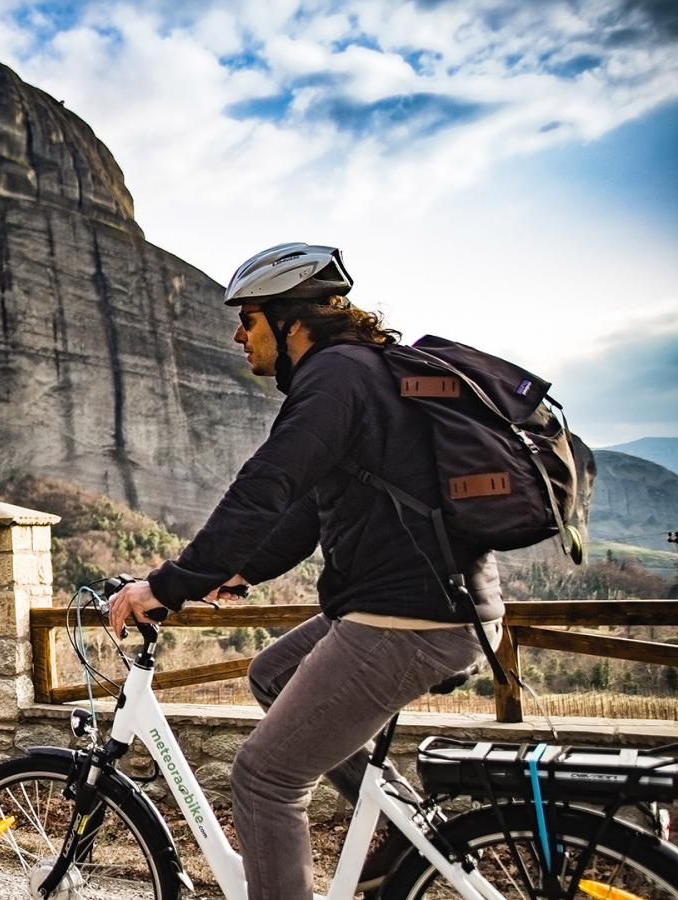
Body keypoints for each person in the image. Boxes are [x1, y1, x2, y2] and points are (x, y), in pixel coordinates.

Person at [107, 243, 502, 898]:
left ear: (292, 321)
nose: (238, 333)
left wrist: (167, 584)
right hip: (425, 606)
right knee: (273, 672)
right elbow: (304, 514)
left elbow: (265, 486)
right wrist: (234, 574)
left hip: (411, 617)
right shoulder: (359, 374)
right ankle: (405, 830)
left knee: (264, 777)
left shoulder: (337, 375)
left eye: (249, 318)